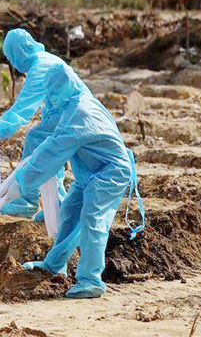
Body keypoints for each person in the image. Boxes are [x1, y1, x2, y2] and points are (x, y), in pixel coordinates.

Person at [17, 63, 133, 298]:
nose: (49, 98)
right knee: (70, 212)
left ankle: (91, 279)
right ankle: (53, 264)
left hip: (110, 172)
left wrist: (22, 182)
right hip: (90, 172)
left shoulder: (80, 111)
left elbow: (55, 147)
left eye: (52, 93)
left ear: (63, 88)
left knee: (92, 219)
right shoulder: (73, 104)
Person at [0, 28, 90, 219]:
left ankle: (26, 200)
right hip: (73, 113)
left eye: (11, 57)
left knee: (36, 140)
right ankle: (56, 207)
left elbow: (24, 106)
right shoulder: (46, 60)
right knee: (50, 151)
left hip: (73, 114)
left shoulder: (40, 67)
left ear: (19, 53)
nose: (12, 63)